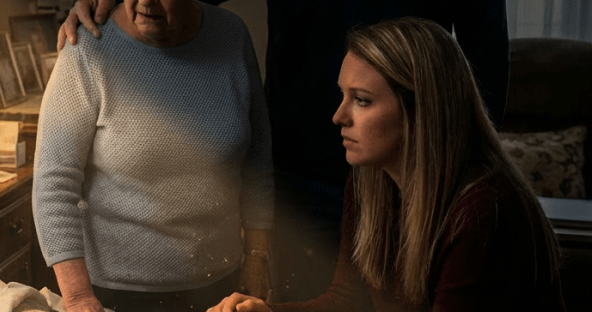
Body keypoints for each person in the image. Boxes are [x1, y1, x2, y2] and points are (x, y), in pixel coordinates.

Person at [58, 0, 510, 302]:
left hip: (414, 179)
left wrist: (454, 169)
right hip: (301, 179)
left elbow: (484, 57)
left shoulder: (475, 212)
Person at [207, 17, 564, 311]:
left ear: (420, 110)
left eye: (362, 100)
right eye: (343, 96)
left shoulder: (483, 211)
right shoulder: (370, 179)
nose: (338, 116)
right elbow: (348, 302)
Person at [32, 0, 274, 311]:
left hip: (220, 286)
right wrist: (78, 297)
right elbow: (54, 182)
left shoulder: (231, 34)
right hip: (112, 293)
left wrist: (256, 257)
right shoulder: (88, 46)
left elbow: (257, 160)